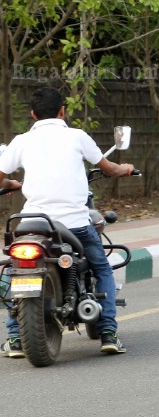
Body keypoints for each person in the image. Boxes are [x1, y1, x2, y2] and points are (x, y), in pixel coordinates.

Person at [0, 88, 135, 358]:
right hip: (74, 223)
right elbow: (109, 168)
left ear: (33, 114)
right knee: (102, 267)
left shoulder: (21, 141)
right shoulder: (77, 136)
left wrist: (12, 184)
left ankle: (14, 336)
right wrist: (126, 169)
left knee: (13, 269)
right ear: (63, 110)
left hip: (31, 224)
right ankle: (108, 332)